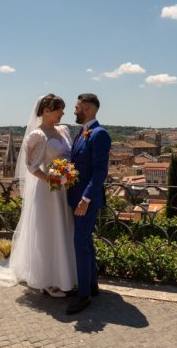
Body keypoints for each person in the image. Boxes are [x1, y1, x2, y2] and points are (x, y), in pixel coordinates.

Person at [9, 94, 77, 297]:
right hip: (47, 191)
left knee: (63, 229)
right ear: (47, 111)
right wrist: (52, 179)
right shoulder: (37, 135)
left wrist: (67, 175)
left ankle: (64, 276)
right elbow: (31, 167)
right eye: (59, 110)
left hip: (64, 189)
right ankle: (48, 280)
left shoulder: (63, 130)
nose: (63, 114)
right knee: (48, 231)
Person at [66, 93, 111, 315]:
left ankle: (83, 296)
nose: (74, 111)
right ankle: (92, 285)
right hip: (76, 198)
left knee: (80, 246)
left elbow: (100, 171)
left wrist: (85, 199)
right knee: (86, 243)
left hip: (86, 201)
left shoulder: (99, 134)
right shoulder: (80, 134)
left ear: (88, 109)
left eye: (76, 107)